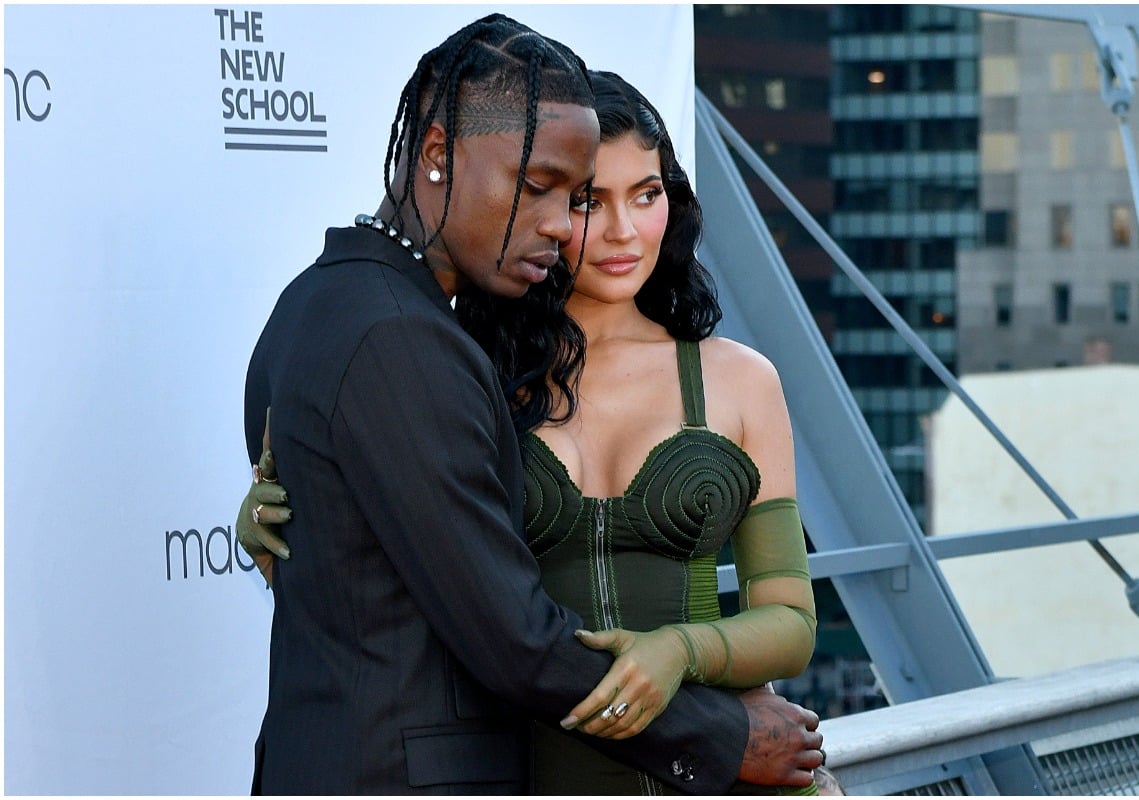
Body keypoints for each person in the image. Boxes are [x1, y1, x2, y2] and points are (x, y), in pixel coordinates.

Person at [237, 13, 823, 796]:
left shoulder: (319, 305)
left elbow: (789, 614)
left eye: (632, 194)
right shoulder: (420, 346)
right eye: (547, 189)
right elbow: (510, 636)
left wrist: (685, 652)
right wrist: (721, 743)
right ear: (439, 156)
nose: (567, 223)